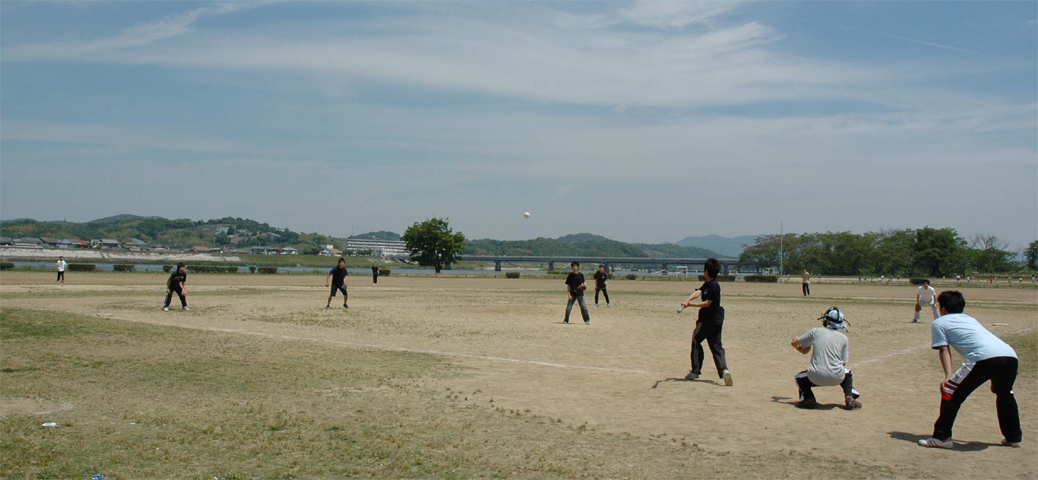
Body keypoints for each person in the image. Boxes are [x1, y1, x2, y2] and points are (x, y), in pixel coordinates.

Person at [918, 291, 1021, 449]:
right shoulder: (970, 319)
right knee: (1004, 393)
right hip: (1010, 356)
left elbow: (944, 349)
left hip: (984, 358)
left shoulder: (939, 322)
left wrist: (948, 376)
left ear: (943, 308)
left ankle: (941, 437)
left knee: (949, 391)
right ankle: (1013, 437)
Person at [790, 307, 862, 409]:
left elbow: (794, 343)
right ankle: (849, 397)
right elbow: (843, 363)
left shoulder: (816, 332)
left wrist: (799, 347)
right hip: (836, 378)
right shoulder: (844, 338)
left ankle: (809, 399)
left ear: (827, 321)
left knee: (799, 378)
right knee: (847, 373)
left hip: (815, 377)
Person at [679, 258, 733, 386]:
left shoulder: (714, 286)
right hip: (716, 321)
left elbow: (708, 303)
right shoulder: (707, 284)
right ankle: (724, 370)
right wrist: (687, 300)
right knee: (716, 346)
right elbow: (698, 292)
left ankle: (695, 370)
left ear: (706, 271)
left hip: (708, 320)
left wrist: (690, 305)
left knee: (696, 340)